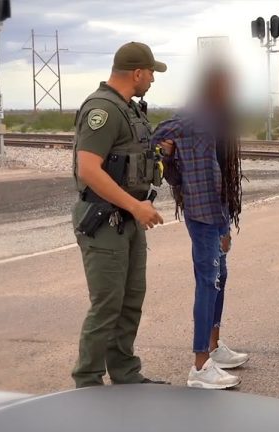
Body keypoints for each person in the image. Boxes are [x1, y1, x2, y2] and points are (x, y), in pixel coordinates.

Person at [70, 41, 168, 388]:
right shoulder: (104, 110)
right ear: (137, 73)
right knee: (107, 304)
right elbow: (89, 170)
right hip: (104, 220)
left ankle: (125, 373)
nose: (153, 80)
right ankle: (88, 380)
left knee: (129, 301)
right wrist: (136, 206)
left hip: (127, 220)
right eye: (151, 73)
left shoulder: (129, 109)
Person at [152, 65, 249, 390]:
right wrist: (169, 161)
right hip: (200, 211)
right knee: (207, 282)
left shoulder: (213, 116)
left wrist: (225, 222)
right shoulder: (194, 115)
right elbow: (157, 137)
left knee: (221, 276)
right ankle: (199, 365)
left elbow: (216, 168)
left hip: (216, 210)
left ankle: (214, 348)